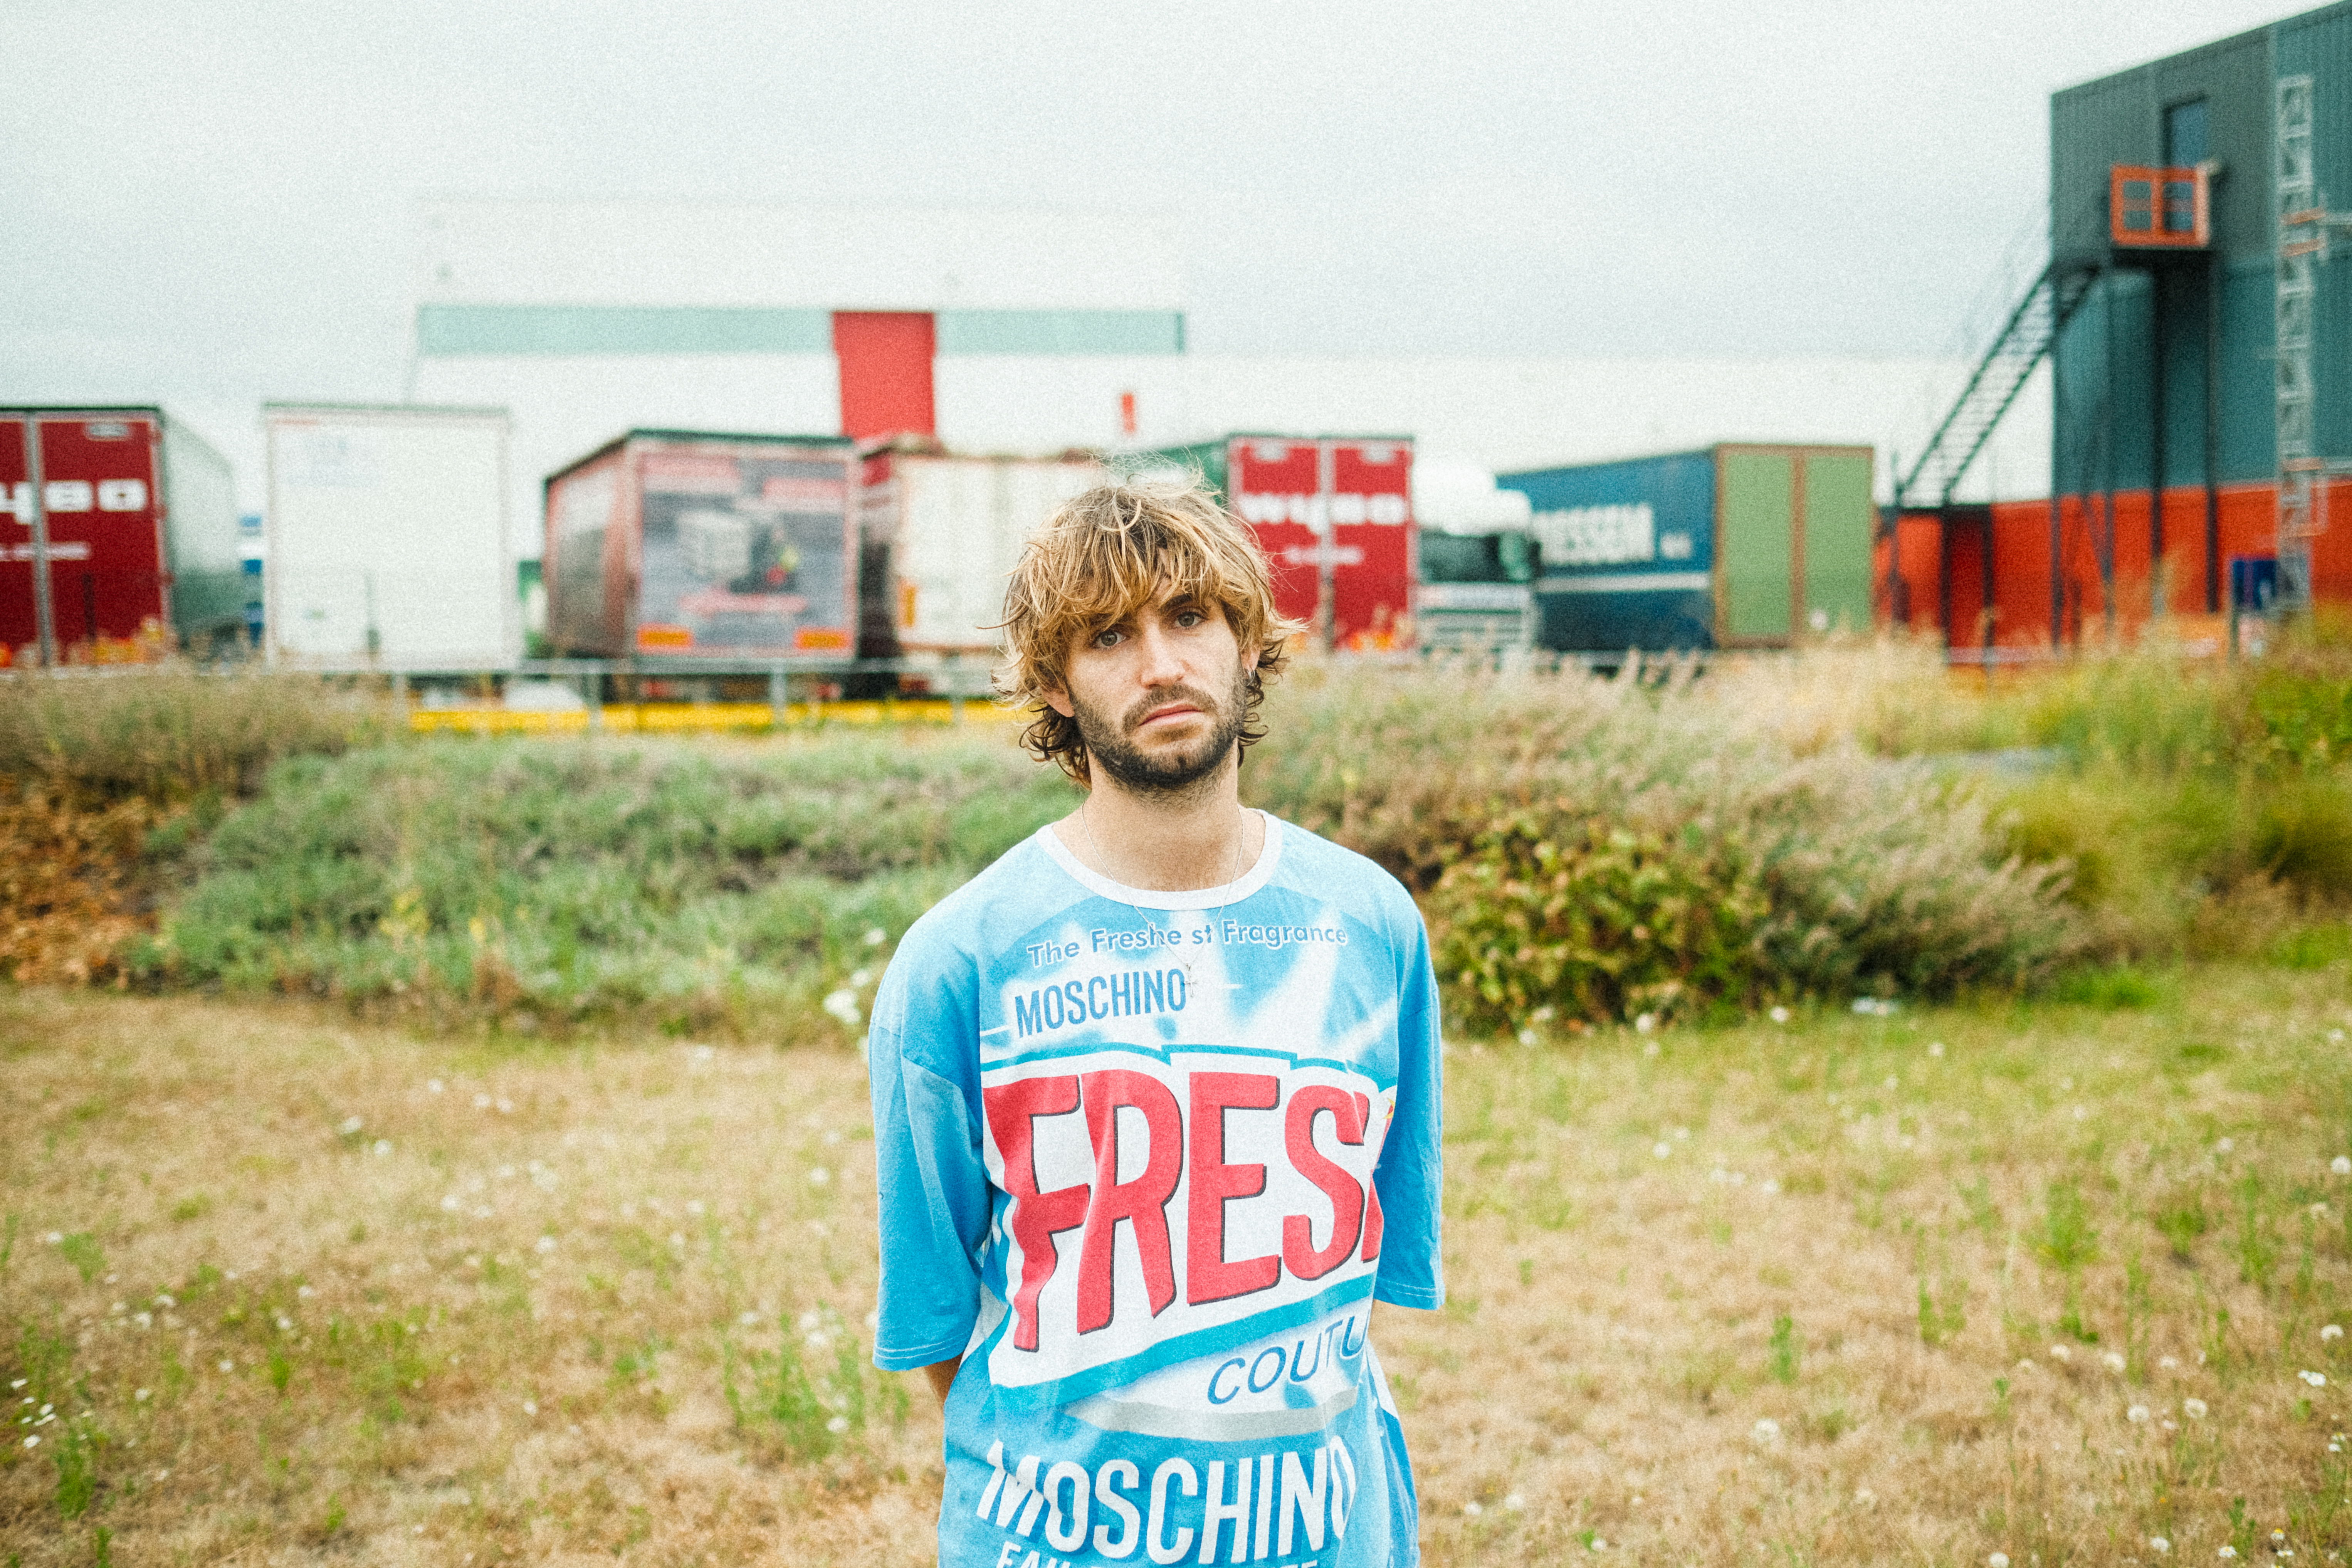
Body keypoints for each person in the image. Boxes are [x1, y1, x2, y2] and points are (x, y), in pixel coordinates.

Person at [866, 477, 1444, 1568]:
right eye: (1108, 636)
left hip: (1329, 1537)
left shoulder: (1371, 925)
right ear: (1054, 682)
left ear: (1248, 642)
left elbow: (1368, 1285)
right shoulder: (960, 962)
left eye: (1189, 617)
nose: (1161, 664)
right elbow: (937, 1321)